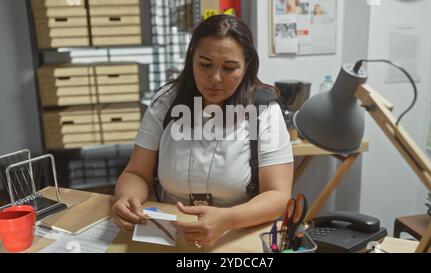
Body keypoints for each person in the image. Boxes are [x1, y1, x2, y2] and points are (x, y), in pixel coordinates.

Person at [112, 14, 294, 248]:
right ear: (191, 59)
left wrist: (228, 219)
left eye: (229, 68)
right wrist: (127, 198)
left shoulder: (263, 110)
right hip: (170, 233)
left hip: (236, 233)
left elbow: (278, 196)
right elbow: (136, 173)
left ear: (247, 65)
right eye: (205, 64)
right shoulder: (166, 102)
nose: (215, 78)